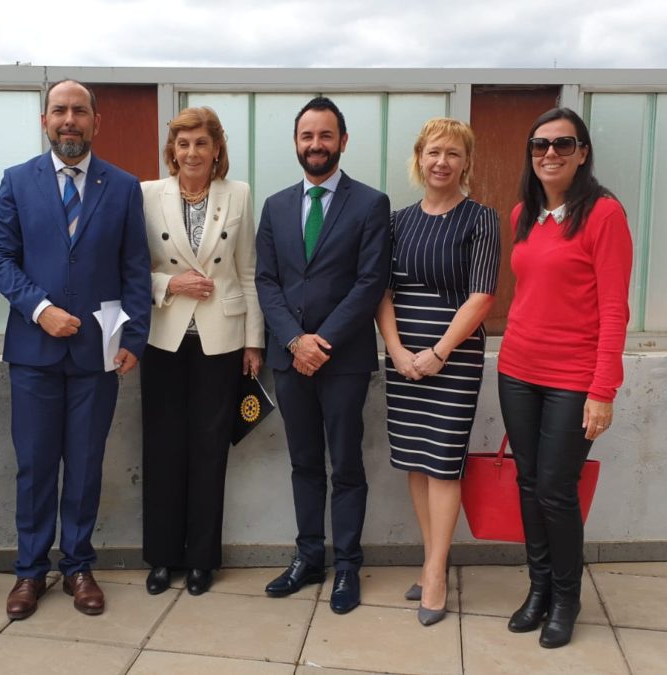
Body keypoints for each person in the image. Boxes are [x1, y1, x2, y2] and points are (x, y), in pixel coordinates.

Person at [0, 79, 151, 619]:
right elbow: (0, 259)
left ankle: (78, 565)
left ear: (95, 122)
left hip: (97, 355)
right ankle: (30, 573)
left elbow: (134, 268)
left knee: (84, 465)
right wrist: (41, 309)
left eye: (80, 111)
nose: (69, 120)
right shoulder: (16, 181)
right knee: (34, 466)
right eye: (59, 110)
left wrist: (135, 337)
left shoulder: (124, 186)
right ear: (45, 120)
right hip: (34, 352)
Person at [499, 107, 632, 648]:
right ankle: (537, 591)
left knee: (556, 489)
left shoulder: (603, 214)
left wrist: (603, 390)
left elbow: (615, 309)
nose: (549, 154)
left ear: (583, 153)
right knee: (529, 485)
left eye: (562, 144)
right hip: (517, 370)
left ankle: (567, 597)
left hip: (574, 377)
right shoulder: (521, 216)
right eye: (539, 145)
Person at [255, 96, 390, 615]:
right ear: (296, 143)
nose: (316, 145)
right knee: (304, 463)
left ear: (343, 141)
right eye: (307, 136)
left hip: (344, 361)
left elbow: (369, 281)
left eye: (326, 135)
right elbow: (267, 282)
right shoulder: (276, 206)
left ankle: (348, 566)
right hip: (290, 360)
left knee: (347, 465)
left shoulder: (370, 203)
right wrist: (294, 341)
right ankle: (309, 557)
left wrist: (321, 342)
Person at [375, 118, 500, 626]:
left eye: (452, 153)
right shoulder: (397, 221)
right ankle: (433, 561)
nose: (441, 162)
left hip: (454, 358)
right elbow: (382, 292)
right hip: (402, 359)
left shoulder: (481, 219)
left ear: (466, 162)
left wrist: (439, 352)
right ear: (419, 158)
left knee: (444, 462)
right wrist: (398, 350)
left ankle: (434, 572)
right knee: (415, 461)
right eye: (433, 152)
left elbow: (482, 294)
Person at [140, 107, 264, 596]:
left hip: (222, 338)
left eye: (201, 143)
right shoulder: (147, 194)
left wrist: (254, 341)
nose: (191, 152)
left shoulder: (240, 194)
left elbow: (248, 270)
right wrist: (170, 283)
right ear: (172, 150)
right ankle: (161, 556)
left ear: (217, 149)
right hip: (163, 336)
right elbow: (131, 267)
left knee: (211, 450)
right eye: (183, 143)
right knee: (162, 447)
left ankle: (201, 559)